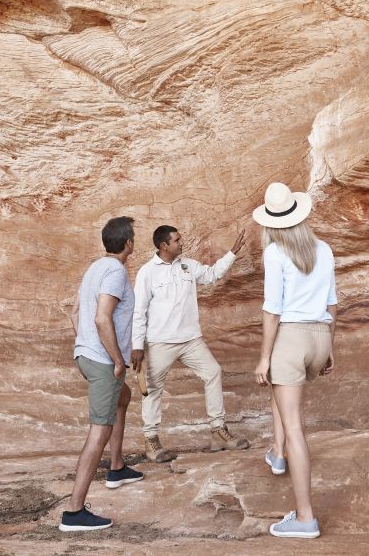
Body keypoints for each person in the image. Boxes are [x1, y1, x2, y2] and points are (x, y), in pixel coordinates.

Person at [253, 182, 337, 540]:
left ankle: (305, 518)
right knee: (280, 389)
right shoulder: (323, 249)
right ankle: (277, 453)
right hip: (319, 336)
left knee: (295, 427)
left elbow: (273, 311)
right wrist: (329, 347)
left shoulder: (275, 253)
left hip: (291, 336)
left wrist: (264, 357)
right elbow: (332, 304)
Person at [131, 224, 251, 462]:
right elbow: (139, 310)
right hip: (160, 342)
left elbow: (211, 274)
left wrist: (232, 253)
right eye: (177, 240)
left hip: (190, 340)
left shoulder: (188, 264)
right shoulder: (148, 272)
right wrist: (137, 346)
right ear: (164, 245)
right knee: (153, 389)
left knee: (213, 372)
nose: (181, 243)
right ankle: (152, 441)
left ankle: (218, 431)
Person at [59, 216, 145, 532]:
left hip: (87, 356)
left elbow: (75, 313)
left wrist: (85, 347)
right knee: (99, 431)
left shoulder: (95, 268)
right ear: (129, 244)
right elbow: (101, 318)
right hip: (103, 361)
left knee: (123, 396)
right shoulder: (116, 272)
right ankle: (74, 512)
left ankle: (117, 467)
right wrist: (116, 360)